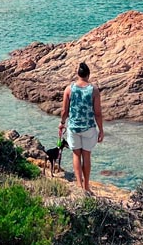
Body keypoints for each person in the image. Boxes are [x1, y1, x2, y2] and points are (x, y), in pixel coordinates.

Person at [59, 61, 104, 194]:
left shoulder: (69, 89)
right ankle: (86, 186)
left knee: (76, 155)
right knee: (87, 156)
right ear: (88, 75)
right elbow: (98, 113)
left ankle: (79, 185)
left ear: (78, 74)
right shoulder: (94, 90)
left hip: (74, 127)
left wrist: (62, 123)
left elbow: (64, 111)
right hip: (89, 128)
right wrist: (101, 130)